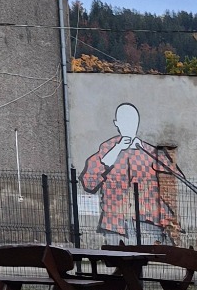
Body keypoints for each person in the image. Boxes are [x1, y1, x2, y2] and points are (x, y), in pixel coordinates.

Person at [80, 103, 188, 243]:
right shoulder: (107, 149)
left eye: (132, 122)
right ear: (116, 123)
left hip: (147, 221)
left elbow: (175, 175)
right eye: (125, 122)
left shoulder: (149, 151)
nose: (129, 126)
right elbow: (89, 182)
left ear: (137, 123)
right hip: (115, 223)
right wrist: (116, 150)